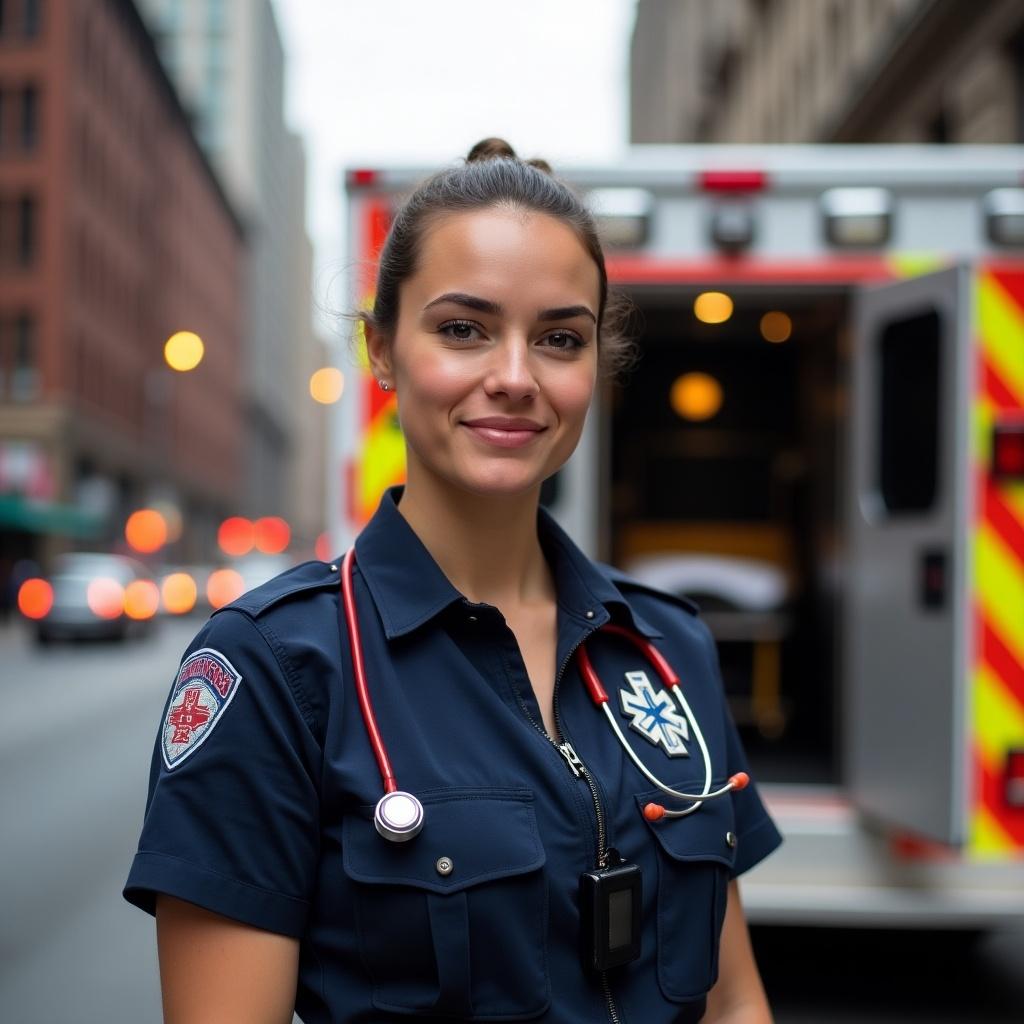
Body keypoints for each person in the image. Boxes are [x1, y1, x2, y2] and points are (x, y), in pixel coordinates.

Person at [124, 138, 782, 1024]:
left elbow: (735, 1002)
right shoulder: (276, 670)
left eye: (558, 338)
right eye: (463, 329)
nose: (514, 378)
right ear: (383, 351)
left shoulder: (668, 646)